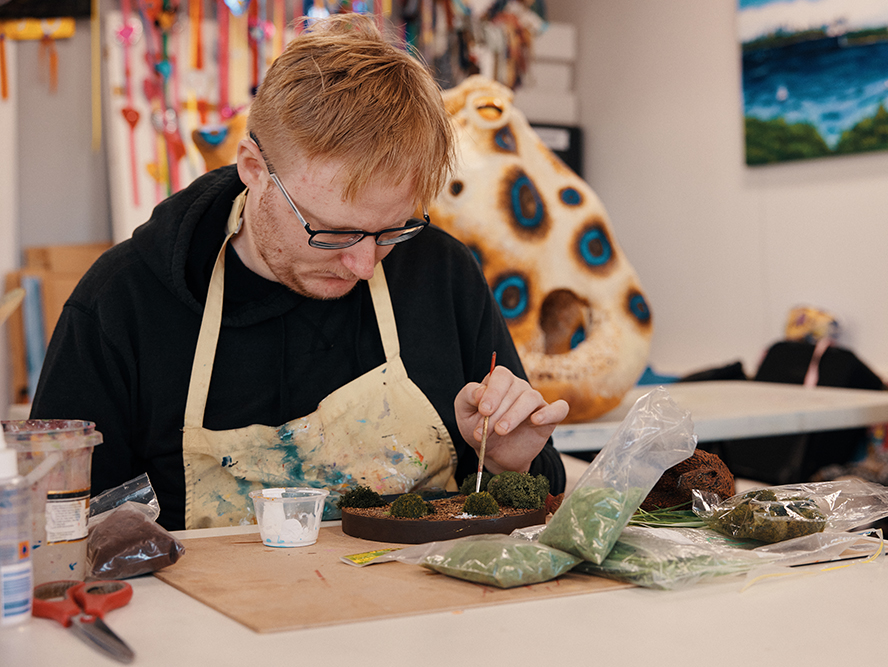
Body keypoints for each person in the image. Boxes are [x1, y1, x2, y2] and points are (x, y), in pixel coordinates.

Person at [30, 13, 568, 531]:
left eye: (390, 231)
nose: (361, 265)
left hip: (423, 617)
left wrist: (507, 461)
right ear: (254, 169)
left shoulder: (442, 275)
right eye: (332, 232)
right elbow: (59, 530)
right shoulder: (121, 305)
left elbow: (532, 500)